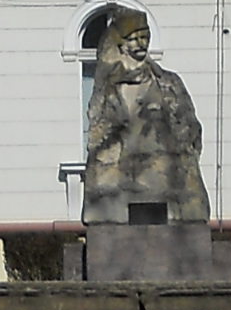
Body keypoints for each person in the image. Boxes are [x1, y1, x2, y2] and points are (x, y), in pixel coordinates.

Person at [81, 13, 211, 223]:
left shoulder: (168, 81)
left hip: (165, 173)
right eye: (134, 38)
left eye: (145, 37)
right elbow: (100, 135)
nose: (141, 43)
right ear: (122, 45)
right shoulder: (109, 88)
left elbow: (189, 125)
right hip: (124, 173)